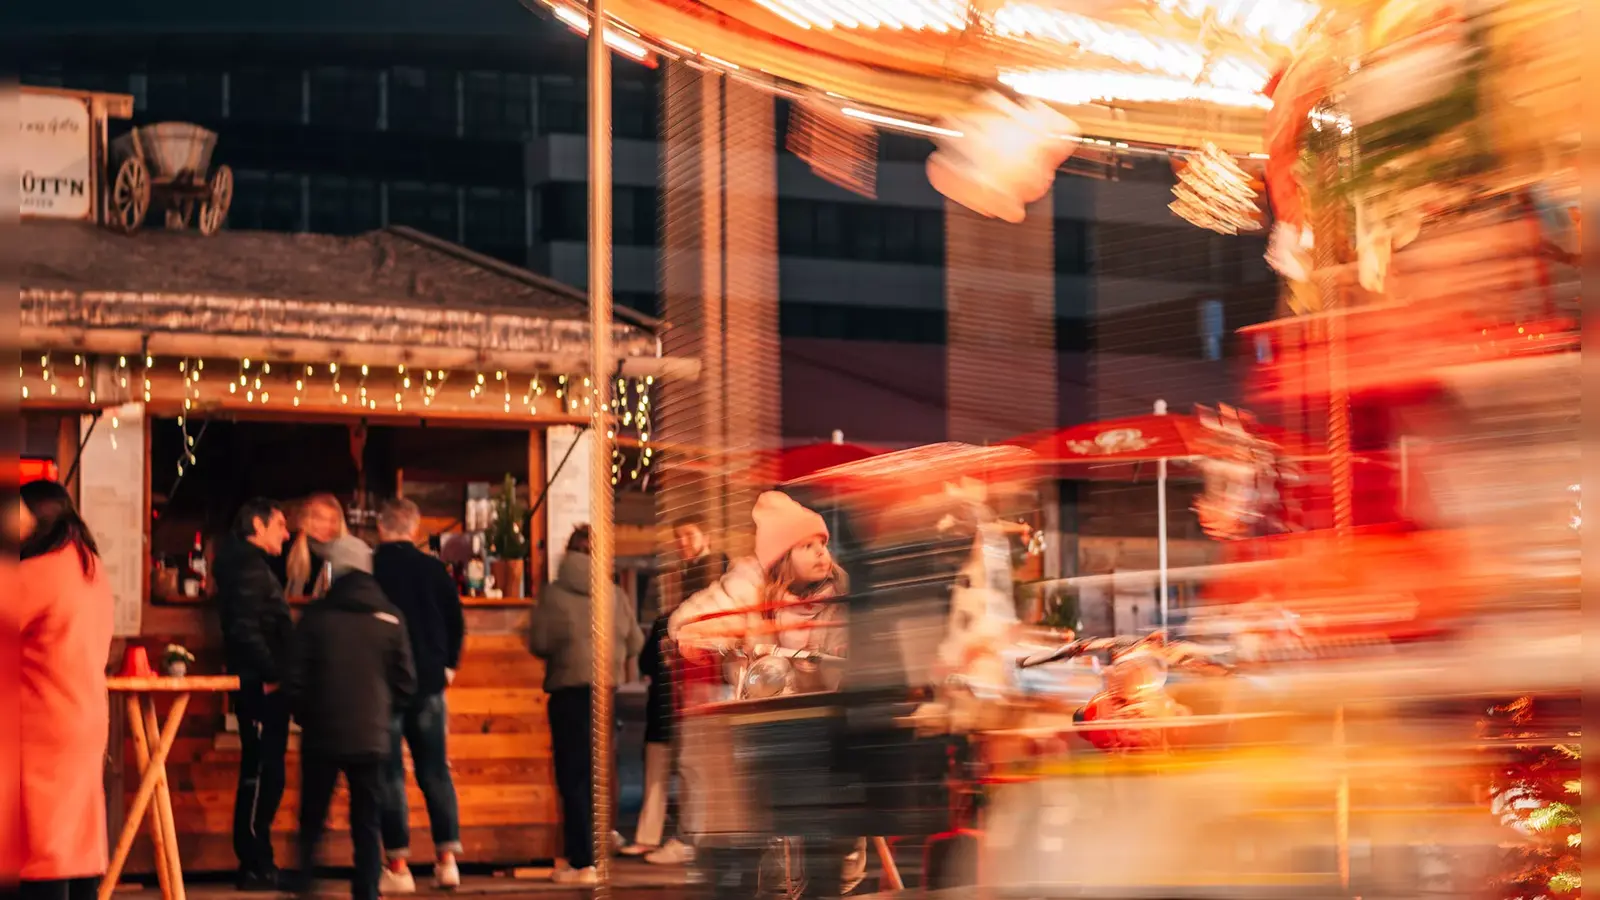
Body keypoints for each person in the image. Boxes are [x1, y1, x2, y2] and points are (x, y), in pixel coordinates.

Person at [669, 491, 860, 898]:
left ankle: (830, 878)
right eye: (806, 546)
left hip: (821, 721)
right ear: (780, 557)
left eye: (822, 544)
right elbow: (692, 618)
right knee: (764, 815)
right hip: (767, 721)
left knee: (827, 820)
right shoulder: (750, 587)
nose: (820, 554)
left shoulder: (840, 594)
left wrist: (846, 656)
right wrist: (700, 636)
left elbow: (856, 639)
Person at [285, 555, 416, 900]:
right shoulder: (391, 619)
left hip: (321, 733)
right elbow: (406, 683)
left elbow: (294, 678)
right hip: (372, 735)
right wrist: (384, 712)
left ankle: (305, 884)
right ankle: (367, 890)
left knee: (312, 817)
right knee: (367, 821)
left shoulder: (316, 618)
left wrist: (303, 715)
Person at [12, 481, 115, 900]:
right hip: (85, 718)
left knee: (41, 846)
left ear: (43, 518)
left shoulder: (39, 571)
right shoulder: (90, 565)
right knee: (75, 841)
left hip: (42, 724)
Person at [528, 525, 645, 885]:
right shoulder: (612, 593)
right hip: (603, 692)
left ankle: (581, 863)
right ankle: (594, 860)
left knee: (572, 777)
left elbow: (539, 641)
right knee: (597, 776)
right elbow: (636, 639)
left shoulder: (554, 594)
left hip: (568, 692)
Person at [370, 498, 466, 893]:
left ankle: (398, 866)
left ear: (380, 529)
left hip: (385, 684)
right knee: (435, 771)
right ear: (413, 529)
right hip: (429, 682)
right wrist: (448, 668)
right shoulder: (434, 568)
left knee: (390, 774)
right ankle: (447, 862)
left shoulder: (370, 569)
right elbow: (456, 621)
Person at [215, 497, 294, 890]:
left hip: (262, 684)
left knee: (262, 771)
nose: (287, 532)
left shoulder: (243, 563)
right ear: (257, 526)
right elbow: (244, 631)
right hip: (261, 688)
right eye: (280, 524)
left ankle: (258, 859)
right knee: (263, 772)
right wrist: (274, 673)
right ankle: (255, 861)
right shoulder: (247, 566)